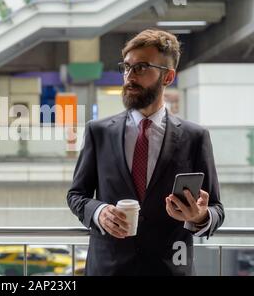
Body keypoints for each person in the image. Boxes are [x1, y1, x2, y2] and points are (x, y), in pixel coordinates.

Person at [67, 29, 224, 276]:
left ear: (168, 77)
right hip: (108, 270)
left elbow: (216, 209)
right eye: (126, 67)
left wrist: (200, 215)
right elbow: (77, 195)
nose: (129, 76)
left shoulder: (195, 137)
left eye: (140, 68)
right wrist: (99, 212)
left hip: (169, 271)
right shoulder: (98, 132)